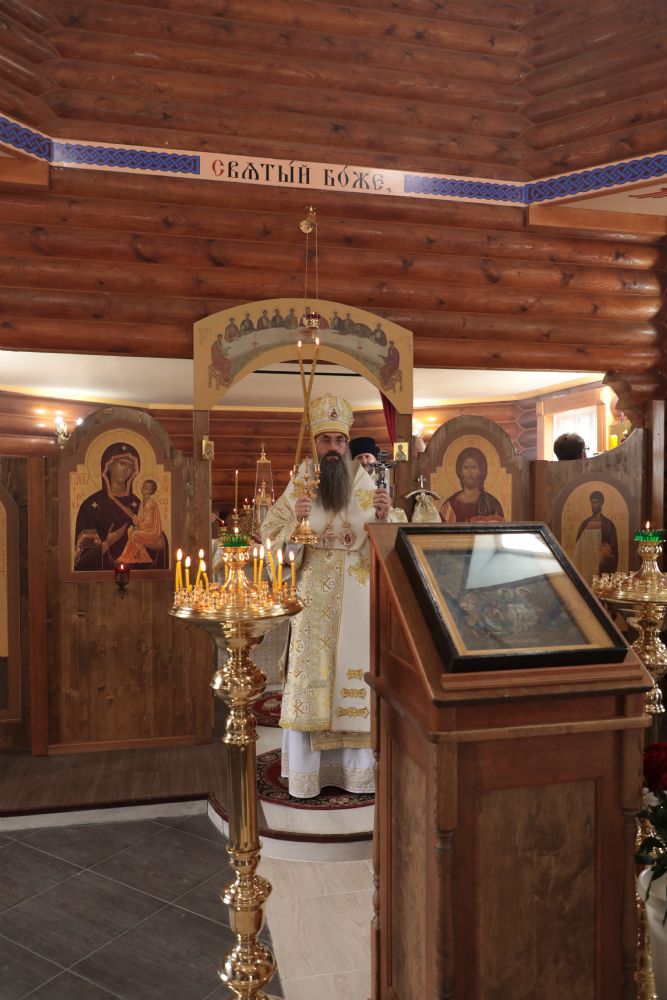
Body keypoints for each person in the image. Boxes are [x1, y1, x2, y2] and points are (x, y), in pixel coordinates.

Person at [261, 394, 405, 799]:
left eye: (339, 441)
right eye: (325, 440)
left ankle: (357, 774)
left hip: (359, 602)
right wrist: (297, 523)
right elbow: (271, 540)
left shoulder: (365, 483)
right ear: (315, 443)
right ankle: (306, 776)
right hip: (312, 604)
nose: (333, 448)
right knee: (313, 682)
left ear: (347, 444)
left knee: (355, 679)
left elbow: (393, 541)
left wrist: (385, 517)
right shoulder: (300, 483)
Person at [73, 442, 169, 570]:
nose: (126, 470)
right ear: (109, 466)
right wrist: (108, 543)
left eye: (131, 467)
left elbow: (154, 535)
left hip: (141, 577)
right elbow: (82, 559)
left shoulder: (138, 503)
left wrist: (159, 541)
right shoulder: (91, 506)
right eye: (122, 464)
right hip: (102, 579)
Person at [440, 446, 504, 523]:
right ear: (461, 471)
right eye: (465, 467)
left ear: (480, 471)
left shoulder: (492, 504)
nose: (469, 472)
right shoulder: (449, 506)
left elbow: (499, 528)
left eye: (474, 467)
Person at [573, 490, 619, 583]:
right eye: (592, 503)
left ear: (601, 503)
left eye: (596, 502)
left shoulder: (608, 525)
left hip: (601, 567)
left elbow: (614, 550)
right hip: (586, 566)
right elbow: (578, 549)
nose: (593, 505)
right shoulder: (585, 524)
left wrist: (607, 552)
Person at [118, 479, 163, 565]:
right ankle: (144, 557)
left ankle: (125, 557)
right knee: (130, 530)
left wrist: (138, 527)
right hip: (146, 529)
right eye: (143, 486)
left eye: (146, 488)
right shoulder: (143, 502)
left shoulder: (149, 504)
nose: (143, 489)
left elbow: (149, 523)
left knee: (135, 534)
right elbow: (141, 519)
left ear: (151, 491)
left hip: (153, 532)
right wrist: (132, 515)